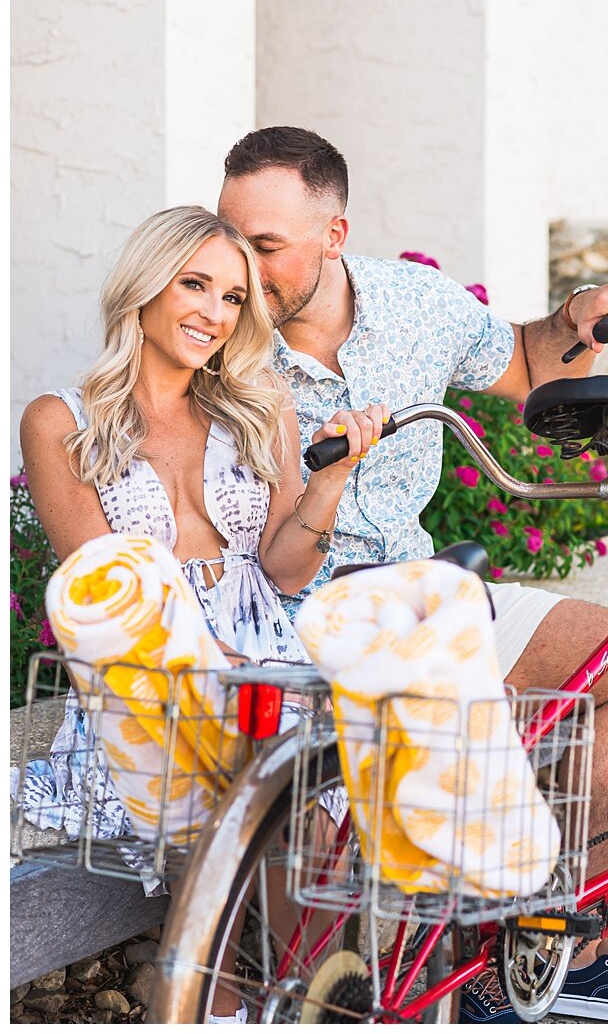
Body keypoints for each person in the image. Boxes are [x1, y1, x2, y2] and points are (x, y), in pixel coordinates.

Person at [216, 126, 608, 1023]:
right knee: (338, 925)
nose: (241, 268)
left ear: (334, 236)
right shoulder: (220, 331)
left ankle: (568, 948)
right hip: (293, 607)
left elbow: (524, 362)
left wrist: (577, 315)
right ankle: (392, 977)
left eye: (266, 247)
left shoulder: (414, 304)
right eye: (231, 237)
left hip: (427, 586)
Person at [17, 205, 379, 1022]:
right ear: (144, 287)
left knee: (305, 770)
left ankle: (279, 1004)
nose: (214, 314)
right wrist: (213, 665)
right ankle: (278, 1005)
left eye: (232, 298)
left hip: (265, 656)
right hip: (146, 674)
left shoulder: (261, 406)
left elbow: (285, 566)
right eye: (195, 285)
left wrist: (328, 480)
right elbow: (105, 589)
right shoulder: (60, 422)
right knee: (270, 769)